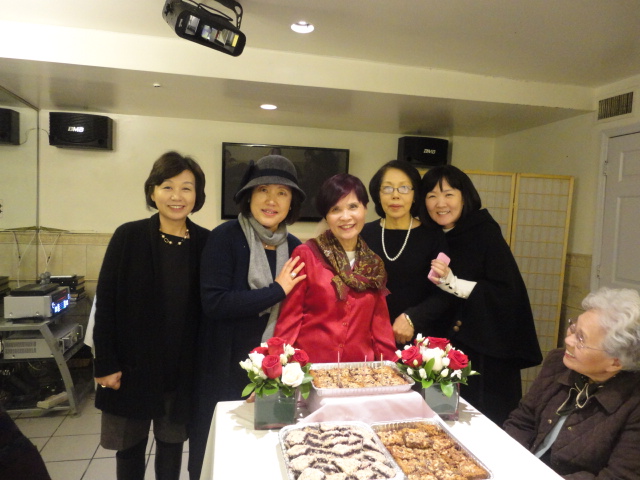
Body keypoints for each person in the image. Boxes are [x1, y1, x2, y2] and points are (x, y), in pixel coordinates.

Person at [93, 152, 209, 480]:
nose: (176, 196)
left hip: (180, 369)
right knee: (129, 448)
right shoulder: (128, 237)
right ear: (152, 191)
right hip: (131, 367)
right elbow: (106, 303)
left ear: (197, 195)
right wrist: (105, 363)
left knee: (172, 446)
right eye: (167, 186)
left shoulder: (206, 242)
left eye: (186, 188)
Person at [189, 155, 306, 480]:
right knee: (218, 452)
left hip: (274, 371)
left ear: (292, 202)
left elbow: (298, 312)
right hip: (223, 367)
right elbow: (215, 303)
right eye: (263, 190)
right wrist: (277, 290)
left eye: (282, 193)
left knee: (266, 454)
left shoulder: (295, 247)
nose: (271, 200)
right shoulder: (225, 237)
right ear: (249, 196)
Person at [418, 164, 542, 426]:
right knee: (439, 422)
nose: (440, 203)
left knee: (479, 425)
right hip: (440, 349)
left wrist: (453, 283)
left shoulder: (484, 232)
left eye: (449, 194)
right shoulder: (428, 236)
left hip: (484, 350)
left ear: (464, 197)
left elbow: (507, 294)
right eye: (431, 195)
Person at [504, 287, 640, 479]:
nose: (568, 340)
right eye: (574, 328)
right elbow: (523, 420)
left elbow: (618, 476)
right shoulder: (558, 362)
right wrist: (512, 463)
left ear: (615, 362)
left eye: (581, 339)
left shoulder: (633, 404)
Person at [274, 173, 397, 363]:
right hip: (310, 369)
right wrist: (278, 364)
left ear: (365, 208)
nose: (345, 217)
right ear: (326, 216)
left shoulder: (373, 264)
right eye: (335, 209)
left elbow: (381, 327)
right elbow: (290, 319)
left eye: (353, 207)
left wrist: (392, 368)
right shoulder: (306, 255)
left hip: (358, 371)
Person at [361, 160, 447, 344]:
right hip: (369, 336)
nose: (395, 195)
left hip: (418, 338)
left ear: (415, 195)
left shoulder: (433, 236)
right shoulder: (363, 234)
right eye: (387, 188)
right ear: (378, 194)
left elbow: (443, 293)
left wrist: (412, 318)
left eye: (404, 188)